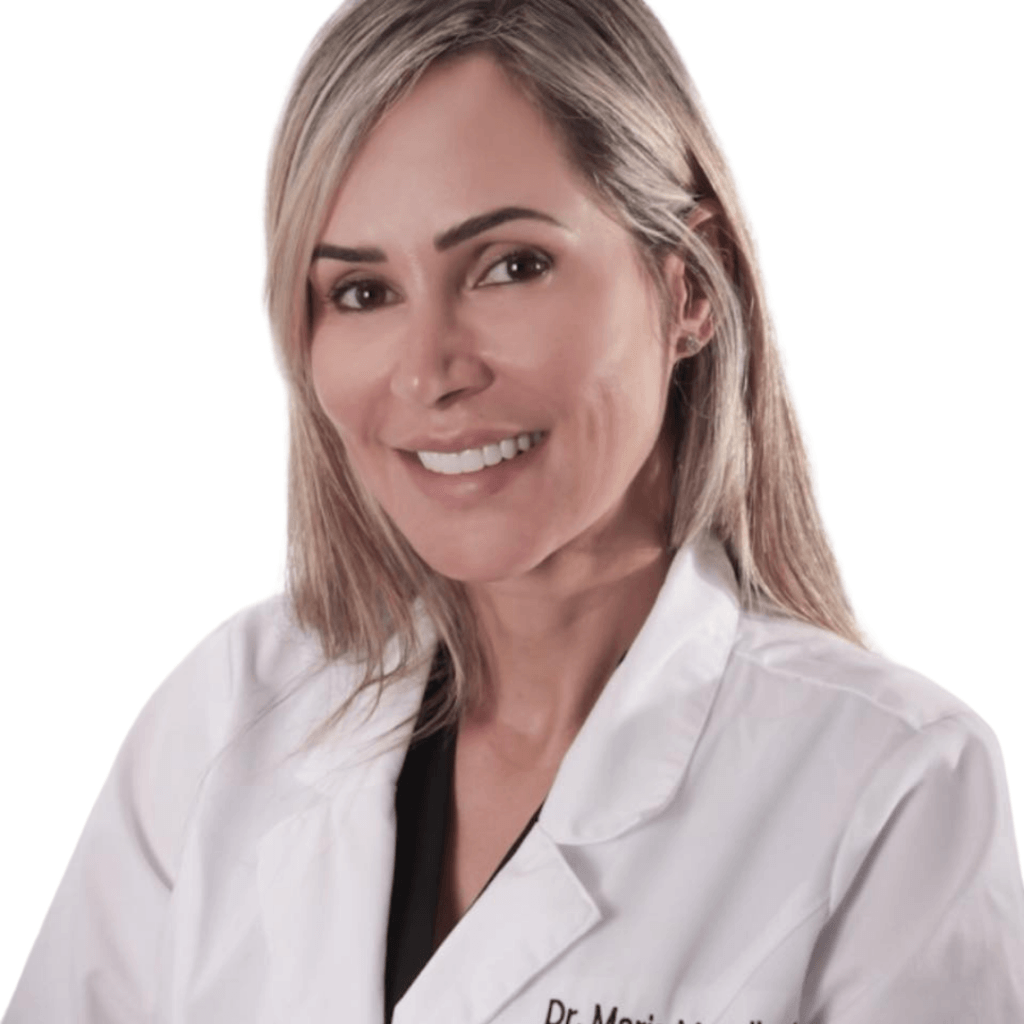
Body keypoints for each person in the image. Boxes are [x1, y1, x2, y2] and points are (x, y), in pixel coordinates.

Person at [5, 0, 1023, 1021]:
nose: (428, 373)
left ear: (687, 286)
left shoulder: (890, 788)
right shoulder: (230, 717)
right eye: (361, 291)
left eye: (511, 267)